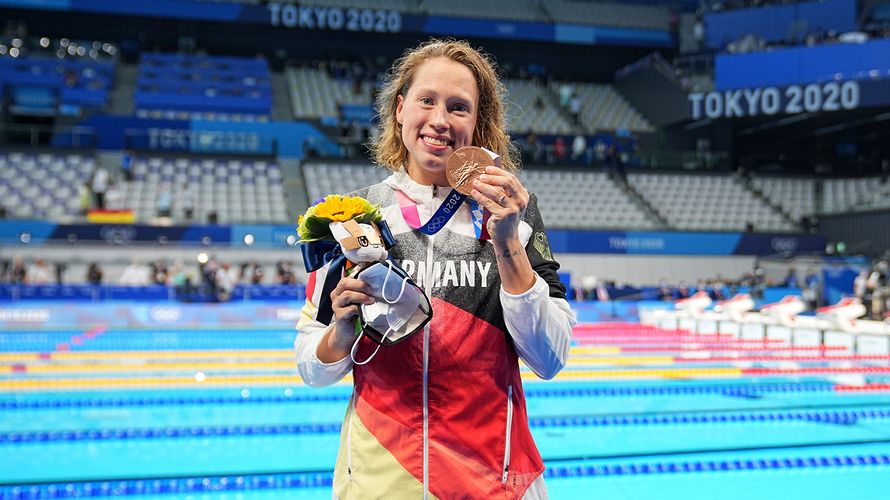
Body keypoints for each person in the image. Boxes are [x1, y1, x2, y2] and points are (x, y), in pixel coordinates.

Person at [294, 39, 575, 499]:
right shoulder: (353, 216)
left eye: (459, 107)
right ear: (401, 110)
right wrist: (340, 333)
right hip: (380, 480)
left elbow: (550, 359)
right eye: (427, 100)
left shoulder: (513, 213)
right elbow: (311, 368)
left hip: (492, 482)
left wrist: (507, 244)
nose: (440, 120)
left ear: (477, 124)